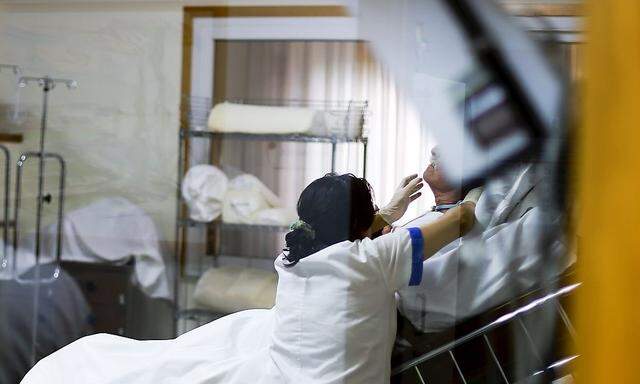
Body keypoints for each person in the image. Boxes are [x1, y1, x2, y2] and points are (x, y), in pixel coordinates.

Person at [22, 173, 475, 384]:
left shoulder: (300, 254)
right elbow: (462, 218)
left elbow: (357, 244)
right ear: (360, 227)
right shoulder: (372, 259)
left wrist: (381, 214)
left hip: (281, 362)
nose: (432, 161)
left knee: (165, 358)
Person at [396, 149, 574, 333]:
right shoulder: (453, 214)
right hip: (422, 299)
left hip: (425, 293)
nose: (435, 152)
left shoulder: (478, 209)